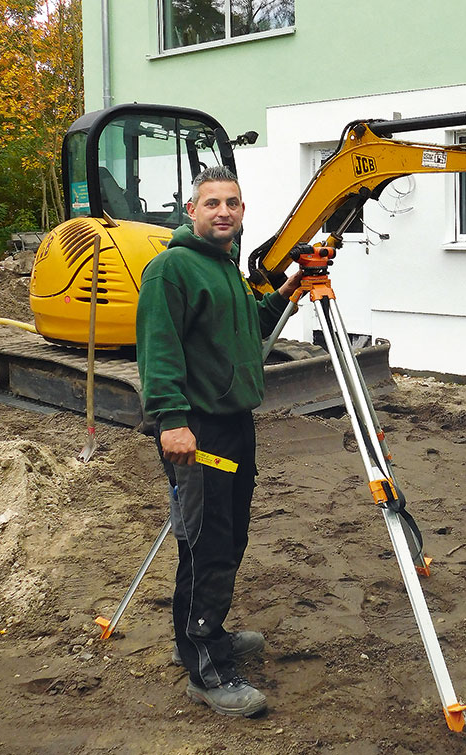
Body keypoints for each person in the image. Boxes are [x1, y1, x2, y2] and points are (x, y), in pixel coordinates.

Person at [136, 165, 302, 717]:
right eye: (212, 203)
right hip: (198, 430)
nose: (224, 211)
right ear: (192, 211)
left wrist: (286, 292)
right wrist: (171, 421)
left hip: (235, 426)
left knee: (227, 541)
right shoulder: (171, 269)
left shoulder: (225, 267)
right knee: (206, 544)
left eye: (232, 202)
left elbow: (249, 324)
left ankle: (212, 632)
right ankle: (205, 670)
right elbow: (158, 351)